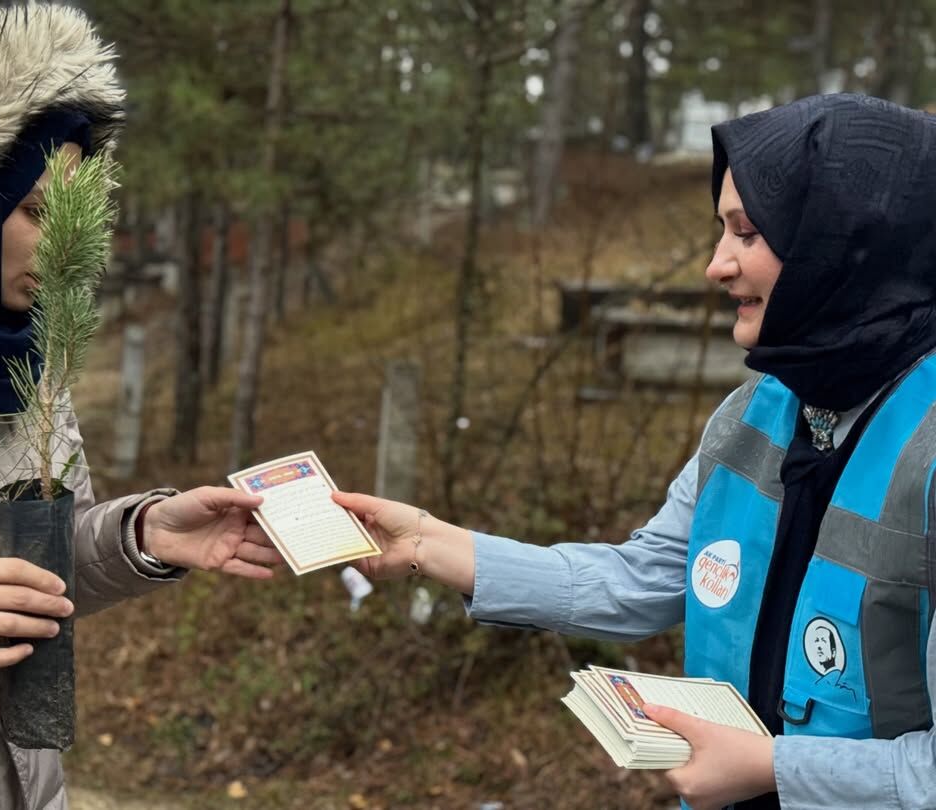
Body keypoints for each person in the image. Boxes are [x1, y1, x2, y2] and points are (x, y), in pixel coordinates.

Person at [335, 93, 936, 810]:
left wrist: (774, 768)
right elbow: (642, 578)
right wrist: (427, 543)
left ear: (846, 240)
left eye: (749, 233)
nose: (717, 265)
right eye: (721, 232)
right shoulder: (758, 410)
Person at [0, 6, 280, 808]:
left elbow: (34, 574)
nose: (63, 252)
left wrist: (140, 537)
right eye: (37, 213)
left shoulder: (17, 363)